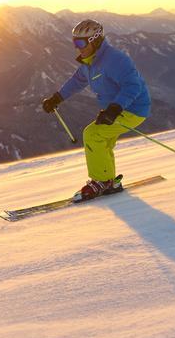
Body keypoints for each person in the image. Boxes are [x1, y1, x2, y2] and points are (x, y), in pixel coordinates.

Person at [41, 19, 151, 201]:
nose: (77, 48)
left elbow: (133, 86)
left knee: (93, 134)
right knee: (103, 141)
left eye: (81, 43)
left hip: (132, 108)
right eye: (75, 42)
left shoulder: (115, 60)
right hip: (117, 108)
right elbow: (77, 81)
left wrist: (115, 108)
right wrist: (57, 98)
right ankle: (109, 181)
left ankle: (102, 181)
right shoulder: (89, 62)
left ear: (95, 40)